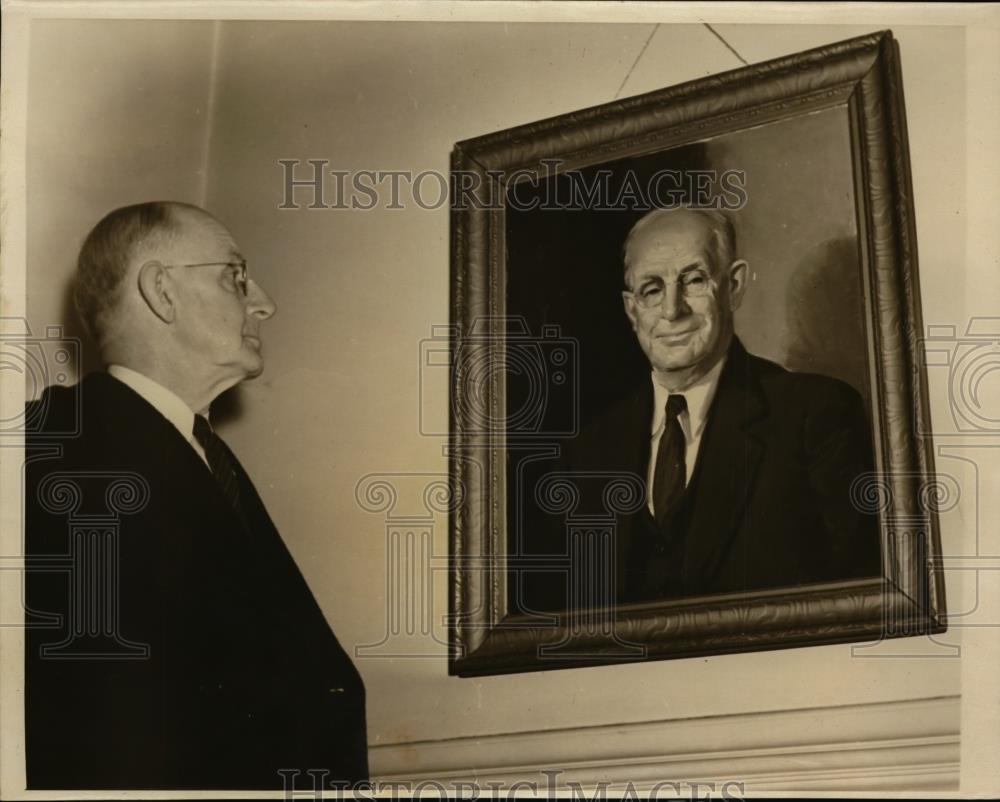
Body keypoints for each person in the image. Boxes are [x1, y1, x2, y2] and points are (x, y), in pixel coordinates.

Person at [24, 201, 368, 789]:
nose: (263, 302)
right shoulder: (56, 446)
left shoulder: (202, 456)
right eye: (235, 275)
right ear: (162, 292)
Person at [559, 207, 882, 604]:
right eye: (652, 289)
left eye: (693, 280)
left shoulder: (815, 415)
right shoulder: (591, 447)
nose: (672, 310)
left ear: (733, 286)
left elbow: (857, 597)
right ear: (631, 309)